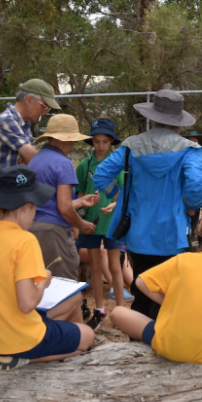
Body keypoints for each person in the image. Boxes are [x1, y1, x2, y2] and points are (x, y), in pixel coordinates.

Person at [0, 165, 94, 370]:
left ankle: (54, 339)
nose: (35, 214)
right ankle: (24, 359)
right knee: (88, 336)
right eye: (35, 208)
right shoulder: (24, 240)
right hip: (16, 339)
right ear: (25, 207)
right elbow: (26, 304)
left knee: (74, 298)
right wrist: (42, 281)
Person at [93, 89, 202, 320]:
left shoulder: (131, 146)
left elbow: (101, 176)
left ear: (153, 116)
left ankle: (139, 341)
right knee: (171, 291)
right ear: (178, 121)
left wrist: (118, 196)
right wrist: (191, 207)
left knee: (142, 288)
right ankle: (168, 340)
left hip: (139, 233)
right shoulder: (189, 150)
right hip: (173, 234)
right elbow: (195, 185)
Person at [109, 230, 202, 364]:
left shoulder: (184, 259)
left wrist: (169, 302)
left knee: (117, 312)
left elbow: (141, 282)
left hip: (171, 347)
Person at [27, 114, 98, 281]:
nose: (73, 144)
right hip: (54, 231)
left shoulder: (37, 160)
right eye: (73, 140)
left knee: (40, 280)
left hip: (32, 226)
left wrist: (79, 201)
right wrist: (83, 225)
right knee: (64, 283)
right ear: (65, 140)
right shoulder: (63, 163)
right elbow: (64, 208)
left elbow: (50, 201)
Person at [75, 118, 127, 315]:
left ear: (111, 141)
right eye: (96, 141)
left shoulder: (118, 165)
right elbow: (80, 195)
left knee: (115, 266)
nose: (101, 146)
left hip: (112, 223)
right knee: (96, 265)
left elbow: (124, 193)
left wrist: (115, 204)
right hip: (90, 223)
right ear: (91, 142)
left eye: (105, 141)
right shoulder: (83, 166)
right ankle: (99, 309)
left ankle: (121, 309)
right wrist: (79, 217)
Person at [0, 79, 60, 193]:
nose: (45, 111)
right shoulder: (5, 121)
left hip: (14, 199)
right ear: (29, 99)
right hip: (0, 204)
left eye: (47, 108)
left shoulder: (24, 126)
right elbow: (35, 160)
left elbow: (31, 162)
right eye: (44, 106)